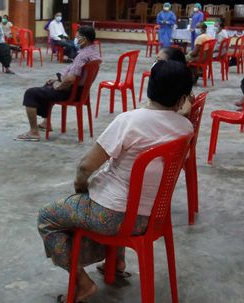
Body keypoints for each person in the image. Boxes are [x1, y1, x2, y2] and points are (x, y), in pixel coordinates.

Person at [36, 60, 194, 302]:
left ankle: (81, 282)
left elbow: (85, 166)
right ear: (183, 97)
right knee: (118, 192)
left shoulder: (129, 121)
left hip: (111, 216)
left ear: (149, 86)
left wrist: (80, 187)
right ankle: (116, 260)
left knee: (47, 216)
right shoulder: (185, 129)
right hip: (151, 216)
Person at [17, 26, 101, 141]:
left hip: (71, 92)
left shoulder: (82, 56)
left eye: (77, 37)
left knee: (30, 93)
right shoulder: (94, 54)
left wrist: (58, 86)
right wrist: (56, 81)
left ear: (84, 39)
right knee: (47, 86)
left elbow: (70, 80)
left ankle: (33, 132)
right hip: (81, 92)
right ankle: (47, 122)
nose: (75, 39)